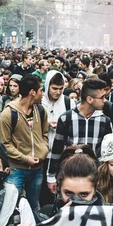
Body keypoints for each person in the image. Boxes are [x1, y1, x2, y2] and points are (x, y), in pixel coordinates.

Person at [47, 78, 113, 194]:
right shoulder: (66, 118)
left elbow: (107, 151)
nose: (105, 100)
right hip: (69, 175)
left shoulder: (105, 121)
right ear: (89, 99)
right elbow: (57, 149)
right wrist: (51, 176)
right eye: (102, 97)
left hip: (94, 176)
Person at [0, 75, 49, 211]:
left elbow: (45, 134)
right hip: (16, 169)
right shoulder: (8, 113)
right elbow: (5, 144)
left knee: (34, 206)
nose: (43, 94)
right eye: (41, 90)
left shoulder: (41, 110)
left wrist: (43, 150)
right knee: (12, 206)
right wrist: (25, 158)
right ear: (32, 92)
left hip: (37, 168)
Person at [41, 71, 75, 205]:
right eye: (54, 88)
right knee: (44, 192)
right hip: (43, 154)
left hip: (61, 154)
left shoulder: (69, 103)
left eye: (61, 89)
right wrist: (46, 124)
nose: (57, 92)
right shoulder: (40, 102)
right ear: (48, 86)